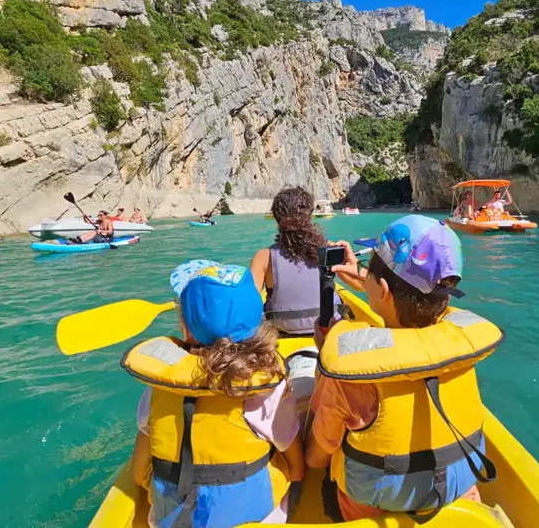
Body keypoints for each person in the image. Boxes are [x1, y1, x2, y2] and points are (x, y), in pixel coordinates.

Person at [305, 215, 501, 522]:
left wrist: (324, 362)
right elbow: (405, 299)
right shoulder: (459, 352)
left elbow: (316, 458)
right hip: (458, 499)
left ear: (381, 289)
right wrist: (362, 278)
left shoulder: (351, 375)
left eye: (369, 267)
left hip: (370, 509)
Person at [125, 260, 304, 527]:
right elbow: (298, 470)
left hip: (171, 518)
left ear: (185, 327)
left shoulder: (160, 387)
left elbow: (139, 474)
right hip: (257, 517)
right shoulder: (266, 388)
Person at [250, 186, 338, 336]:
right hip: (328, 328)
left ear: (276, 218)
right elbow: (359, 284)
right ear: (309, 216)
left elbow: (248, 302)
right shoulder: (329, 248)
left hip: (282, 331)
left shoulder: (264, 257)